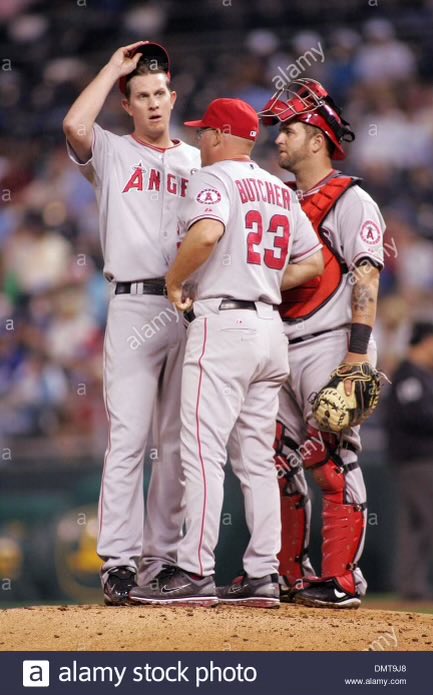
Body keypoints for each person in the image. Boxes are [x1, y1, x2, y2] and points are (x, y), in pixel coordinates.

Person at [129, 98, 323, 607]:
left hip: (225, 326)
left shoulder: (214, 179)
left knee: (203, 454)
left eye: (203, 133)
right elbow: (314, 263)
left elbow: (209, 232)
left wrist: (175, 281)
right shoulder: (280, 190)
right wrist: (259, 278)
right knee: (257, 460)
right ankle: (263, 576)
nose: (199, 141)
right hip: (268, 329)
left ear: (218, 135)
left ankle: (194, 571)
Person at [63, 41, 200, 605]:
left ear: (173, 96)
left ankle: (162, 561)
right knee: (127, 439)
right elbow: (74, 123)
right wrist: (114, 68)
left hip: (188, 308)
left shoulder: (197, 161)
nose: (152, 103)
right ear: (127, 103)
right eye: (140, 95)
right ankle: (118, 562)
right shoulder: (115, 153)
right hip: (132, 304)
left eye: (159, 92)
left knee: (174, 442)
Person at [253, 78, 386, 608]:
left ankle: (341, 581)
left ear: (319, 138)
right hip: (279, 345)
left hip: (333, 345)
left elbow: (367, 278)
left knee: (332, 462)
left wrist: (357, 358)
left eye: (290, 129)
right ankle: (289, 575)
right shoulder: (280, 199)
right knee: (276, 463)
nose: (279, 138)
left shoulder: (352, 199)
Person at [385, 321, 433, 601]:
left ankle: (410, 586)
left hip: (419, 459)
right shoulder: (408, 375)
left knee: (415, 525)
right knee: (425, 520)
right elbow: (415, 415)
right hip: (416, 460)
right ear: (426, 342)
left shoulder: (422, 375)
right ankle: (410, 585)